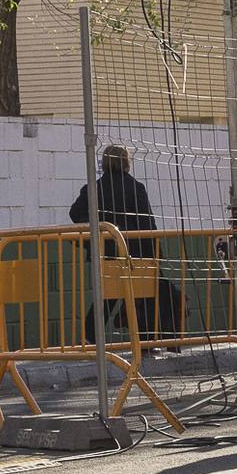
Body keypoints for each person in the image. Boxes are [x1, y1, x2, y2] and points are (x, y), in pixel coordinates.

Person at [69, 144, 183, 345]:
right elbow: (147, 222)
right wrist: (155, 253)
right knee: (146, 295)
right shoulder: (136, 188)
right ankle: (148, 340)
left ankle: (89, 337)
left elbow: (75, 213)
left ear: (104, 163)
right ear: (126, 163)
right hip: (137, 252)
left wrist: (96, 234)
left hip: (106, 252)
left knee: (106, 297)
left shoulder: (93, 188)